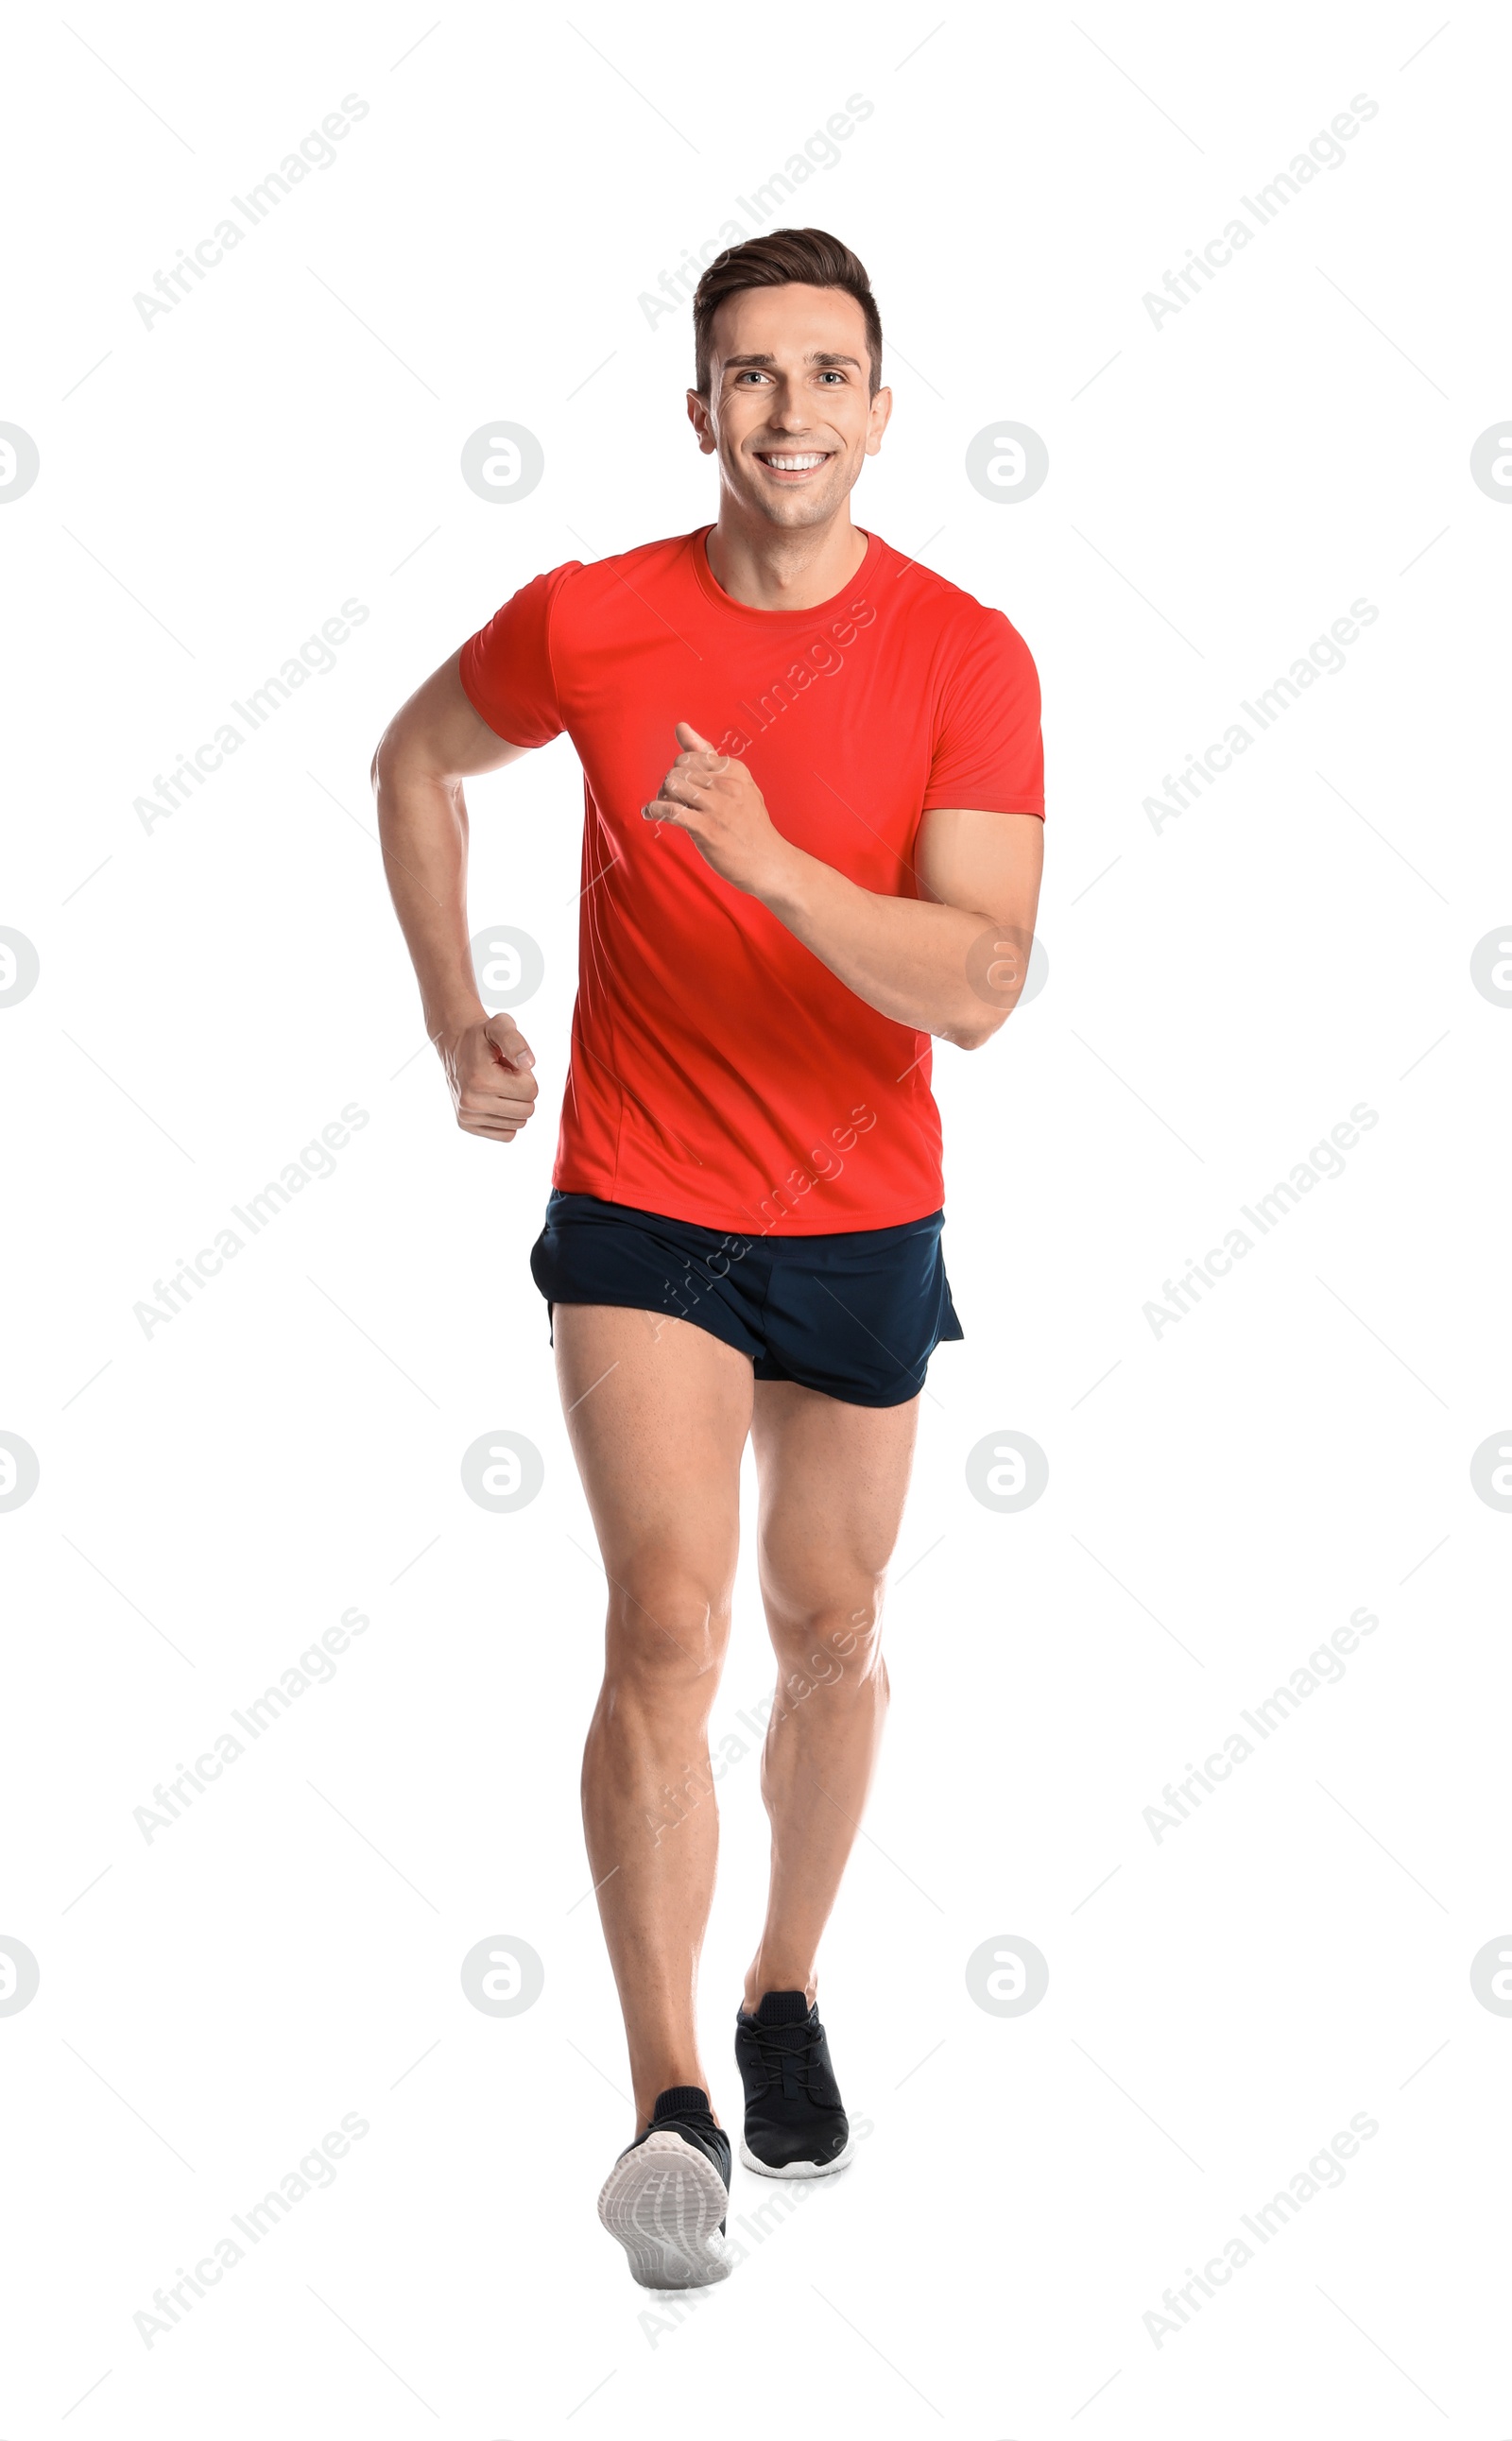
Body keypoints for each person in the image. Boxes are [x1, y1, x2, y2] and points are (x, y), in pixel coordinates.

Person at [372, 227, 1044, 2290]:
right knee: (665, 1621)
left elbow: (981, 978)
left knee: (825, 1629)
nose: (787, 411)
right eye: (748, 375)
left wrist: (760, 856)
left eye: (824, 373)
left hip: (858, 1208)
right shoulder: (591, 621)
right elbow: (413, 762)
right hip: (642, 1202)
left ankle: (778, 1993)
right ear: (698, 410)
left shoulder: (964, 652)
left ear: (877, 405)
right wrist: (452, 1010)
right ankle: (665, 2100)